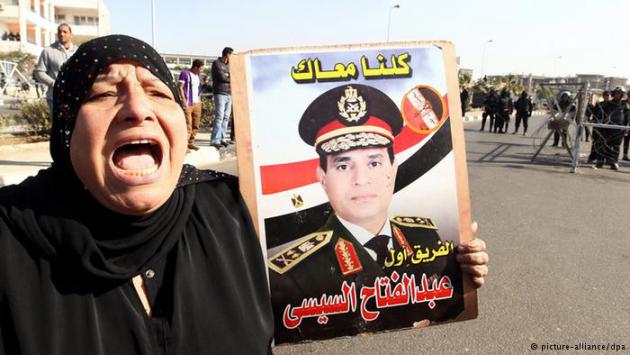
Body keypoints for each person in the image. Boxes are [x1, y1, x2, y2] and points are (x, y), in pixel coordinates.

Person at [0, 35, 273, 354]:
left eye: (157, 92)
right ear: (67, 125)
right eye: (103, 93)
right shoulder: (10, 240)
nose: (138, 108)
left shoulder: (227, 208)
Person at [268, 84, 488, 344]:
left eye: (374, 163)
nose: (362, 180)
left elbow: (445, 307)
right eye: (343, 165)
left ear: (393, 169)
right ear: (323, 178)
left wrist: (465, 276)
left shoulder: (426, 237)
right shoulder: (293, 273)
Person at [33, 23, 76, 114]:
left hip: (74, 97)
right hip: (55, 98)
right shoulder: (48, 51)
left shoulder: (78, 51)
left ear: (71, 35)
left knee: (74, 127)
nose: (62, 34)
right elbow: (39, 72)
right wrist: (55, 84)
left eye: (65, 32)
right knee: (57, 127)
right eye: (59, 32)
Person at [598, 86, 627, 170]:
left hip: (619, 129)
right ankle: (600, 161)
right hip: (607, 129)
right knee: (604, 144)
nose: (618, 95)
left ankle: (614, 162)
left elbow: (627, 117)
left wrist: (626, 128)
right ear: (613, 94)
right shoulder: (608, 104)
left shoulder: (625, 105)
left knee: (616, 146)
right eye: (616, 93)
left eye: (620, 94)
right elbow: (601, 115)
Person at [178, 59, 204, 151]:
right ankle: (184, 145)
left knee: (196, 124)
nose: (202, 70)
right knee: (188, 125)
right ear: (196, 67)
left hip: (197, 103)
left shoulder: (198, 76)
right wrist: (184, 100)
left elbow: (198, 89)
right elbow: (180, 86)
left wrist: (199, 101)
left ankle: (191, 142)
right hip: (188, 103)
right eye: (201, 68)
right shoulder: (185, 73)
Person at [210, 47, 233, 148]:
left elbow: (233, 76)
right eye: (231, 54)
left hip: (229, 93)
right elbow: (222, 77)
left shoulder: (229, 65)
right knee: (219, 117)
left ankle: (222, 138)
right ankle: (215, 140)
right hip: (220, 93)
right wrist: (229, 76)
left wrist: (229, 76)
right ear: (227, 54)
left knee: (226, 117)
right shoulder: (217, 63)